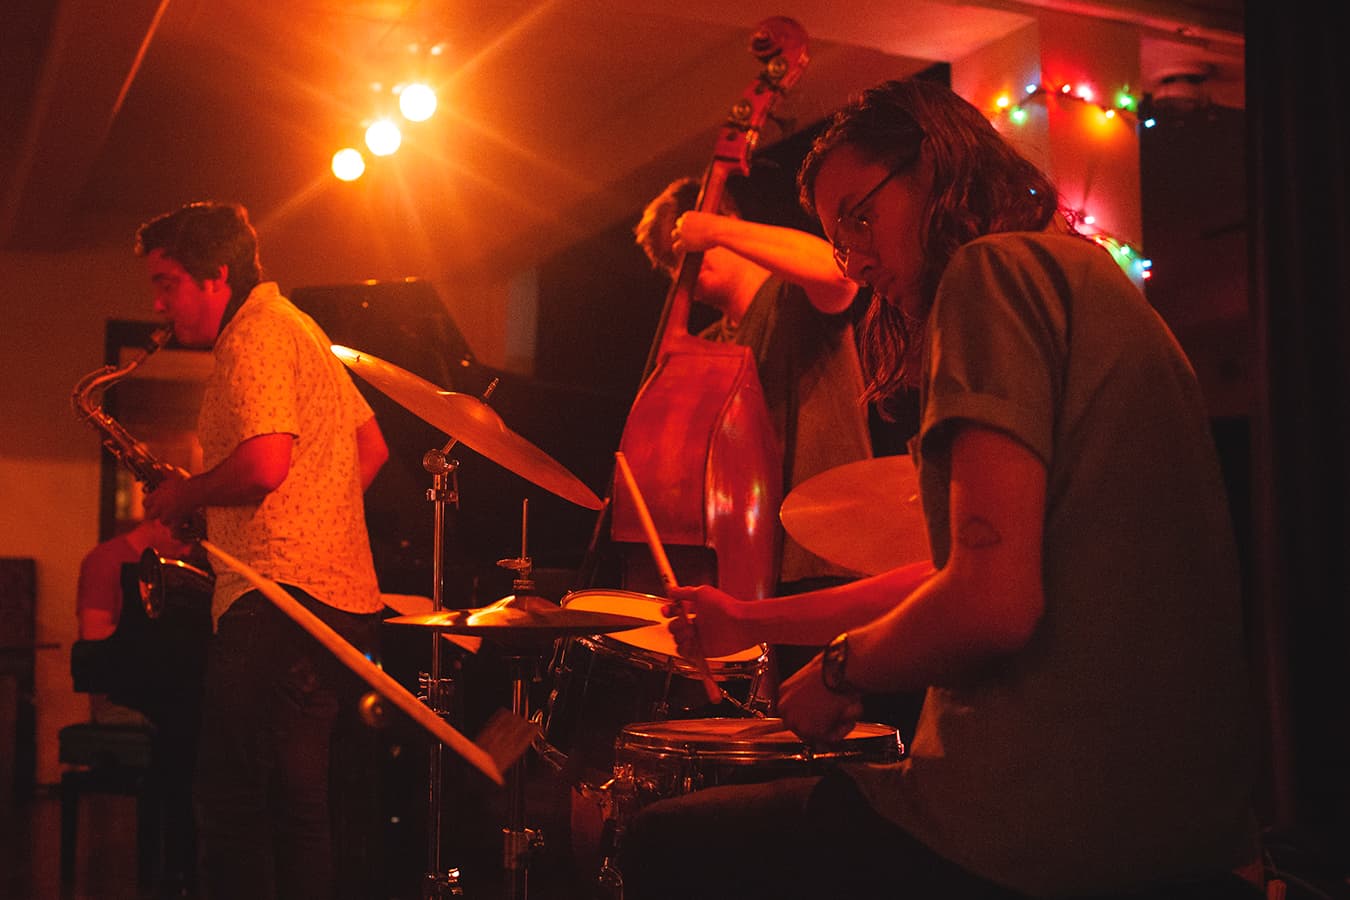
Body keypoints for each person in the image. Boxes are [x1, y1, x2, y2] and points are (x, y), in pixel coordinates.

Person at [618, 78, 1260, 899]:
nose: (855, 260)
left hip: (1037, 821)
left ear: (935, 167)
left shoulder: (990, 272)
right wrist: (749, 619)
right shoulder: (1092, 279)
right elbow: (962, 571)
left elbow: (991, 604)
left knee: (664, 842)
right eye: (837, 241)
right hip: (1184, 822)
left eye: (860, 217)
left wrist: (841, 671)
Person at [138, 201, 390, 900]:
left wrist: (187, 495)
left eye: (167, 284)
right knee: (298, 808)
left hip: (274, 600)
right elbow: (371, 448)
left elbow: (264, 465)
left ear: (216, 276)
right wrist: (303, 517)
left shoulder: (252, 334)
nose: (158, 304)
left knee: (229, 800)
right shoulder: (301, 327)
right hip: (339, 603)